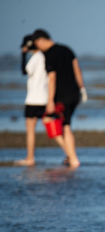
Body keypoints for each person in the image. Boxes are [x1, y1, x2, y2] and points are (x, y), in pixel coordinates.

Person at [32, 29, 87, 168]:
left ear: (41, 40)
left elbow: (52, 78)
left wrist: (50, 100)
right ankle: (70, 156)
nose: (38, 48)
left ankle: (73, 158)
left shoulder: (50, 54)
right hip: (75, 93)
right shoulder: (67, 49)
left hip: (62, 96)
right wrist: (82, 89)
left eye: (37, 45)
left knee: (63, 124)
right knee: (65, 123)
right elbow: (77, 69)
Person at [14, 35, 48, 166]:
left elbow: (24, 71)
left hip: (33, 99)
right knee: (52, 128)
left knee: (30, 130)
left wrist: (23, 55)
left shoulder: (36, 57)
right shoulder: (45, 56)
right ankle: (69, 154)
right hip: (45, 98)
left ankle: (30, 158)